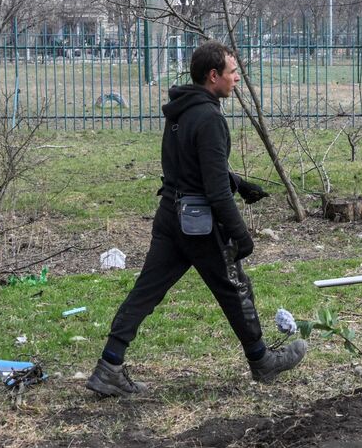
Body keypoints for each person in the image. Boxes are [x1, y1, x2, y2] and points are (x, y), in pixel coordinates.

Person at [86, 41, 307, 397]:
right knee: (235, 289)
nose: (237, 79)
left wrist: (241, 183)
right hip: (200, 224)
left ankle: (108, 365)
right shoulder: (210, 118)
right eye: (233, 73)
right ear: (213, 75)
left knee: (146, 292)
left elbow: (192, 167)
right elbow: (215, 190)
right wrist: (241, 236)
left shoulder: (181, 111)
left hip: (170, 215)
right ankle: (262, 361)